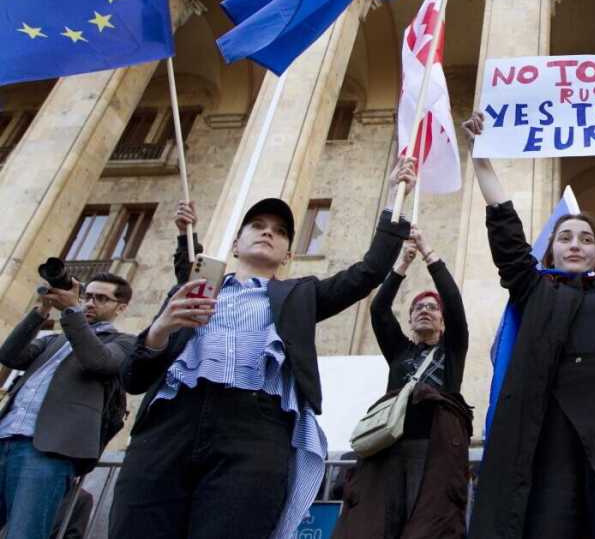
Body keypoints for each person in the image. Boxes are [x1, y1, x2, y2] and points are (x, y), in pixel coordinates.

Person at [108, 162, 413, 539]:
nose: (269, 232)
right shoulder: (189, 293)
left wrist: (394, 198)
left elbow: (368, 271)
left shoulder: (301, 295)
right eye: (258, 226)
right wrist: (158, 330)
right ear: (235, 243)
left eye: (281, 231)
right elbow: (133, 379)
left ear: (288, 255)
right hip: (169, 424)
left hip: (254, 432)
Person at [464, 103, 595, 539]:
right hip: (549, 425)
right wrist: (481, 158)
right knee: (550, 522)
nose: (576, 245)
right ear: (551, 251)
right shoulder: (534, 286)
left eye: (586, 239)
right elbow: (504, 230)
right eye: (565, 238)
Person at [333, 227, 471, 539]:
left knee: (428, 527)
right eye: (418, 308)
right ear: (409, 321)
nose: (425, 310)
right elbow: (379, 309)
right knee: (378, 526)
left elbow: (454, 301)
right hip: (389, 449)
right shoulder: (399, 350)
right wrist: (402, 265)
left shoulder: (452, 350)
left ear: (443, 320)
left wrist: (428, 252)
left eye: (432, 307)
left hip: (434, 451)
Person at [0, 272, 136, 539]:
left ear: (121, 308)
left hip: (48, 451)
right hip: (5, 436)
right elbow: (9, 355)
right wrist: (41, 310)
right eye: (87, 296)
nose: (90, 303)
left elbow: (99, 362)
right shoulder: (54, 340)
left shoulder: (124, 343)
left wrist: (71, 311)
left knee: (23, 534)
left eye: (101, 298)